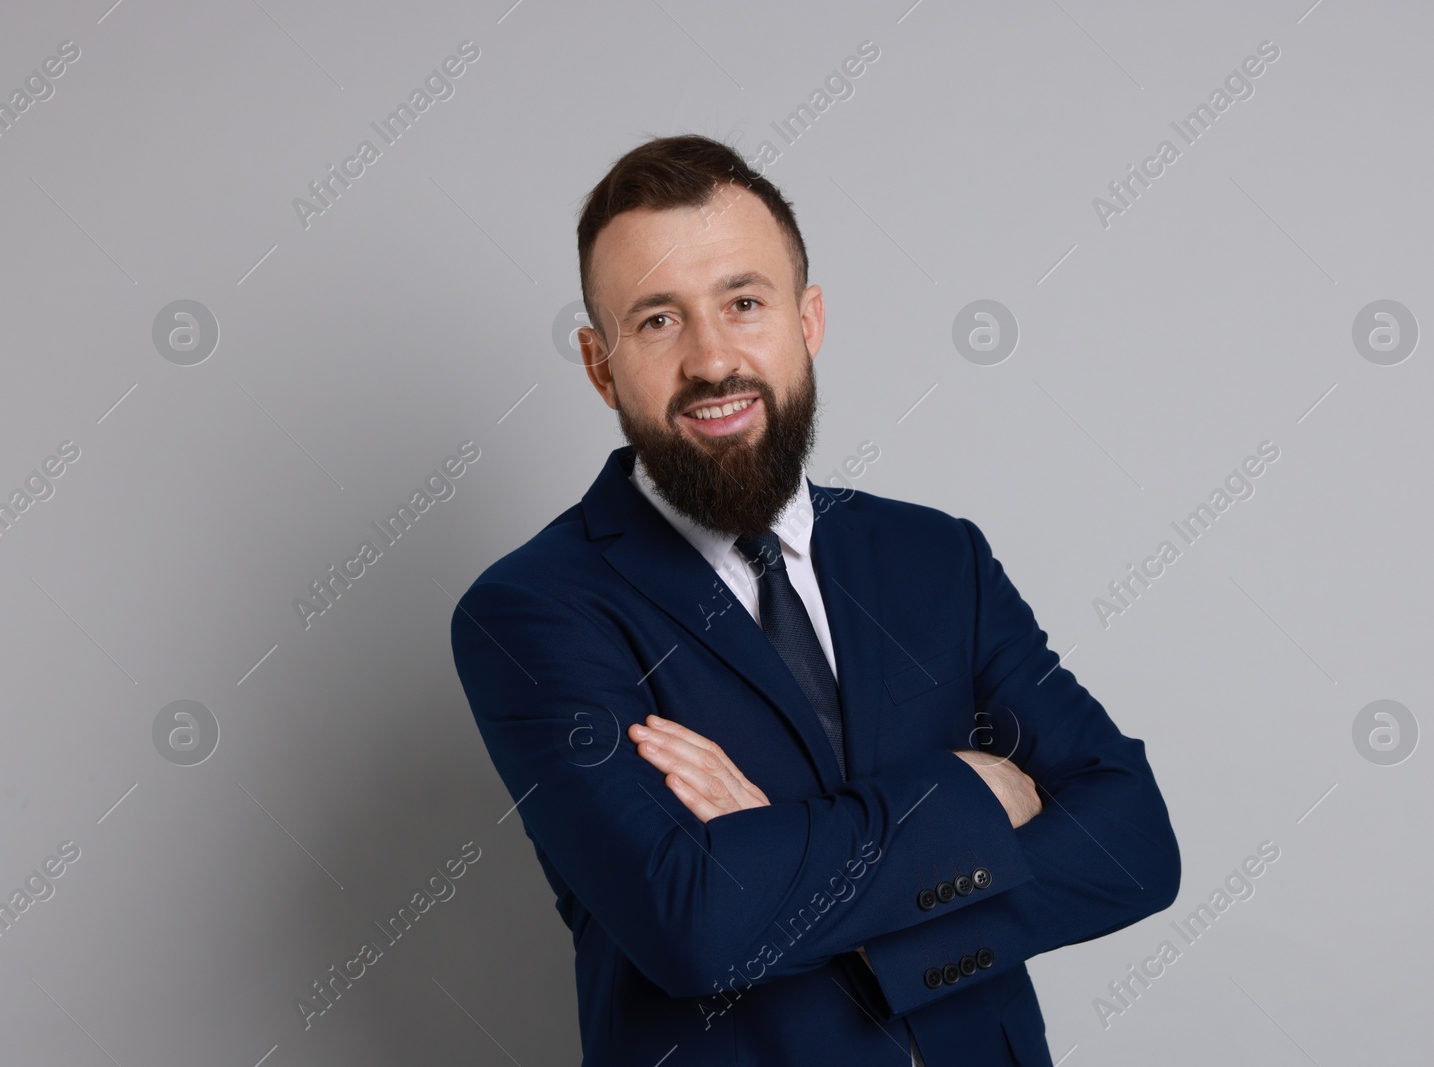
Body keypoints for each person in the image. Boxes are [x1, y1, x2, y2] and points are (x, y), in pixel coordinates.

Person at [450, 134, 1180, 1066]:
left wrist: (848, 912)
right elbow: (695, 924)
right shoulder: (532, 611)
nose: (714, 361)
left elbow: (1133, 841)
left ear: (809, 320)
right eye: (658, 321)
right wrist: (972, 795)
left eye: (744, 303)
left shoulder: (934, 556)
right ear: (601, 365)